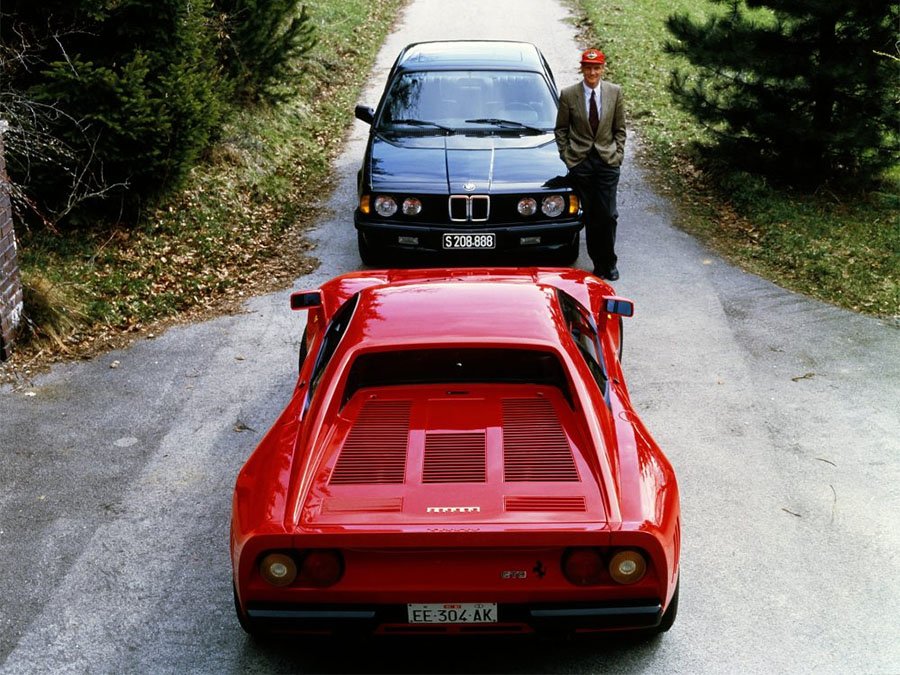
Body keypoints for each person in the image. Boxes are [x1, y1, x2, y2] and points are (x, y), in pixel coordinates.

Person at [554, 48, 626, 281]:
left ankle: (609, 261)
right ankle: (599, 264)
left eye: (596, 68)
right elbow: (561, 129)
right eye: (588, 67)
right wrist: (568, 157)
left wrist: (618, 155)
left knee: (607, 214)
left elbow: (620, 129)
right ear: (582, 68)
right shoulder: (569, 94)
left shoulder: (614, 93)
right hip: (581, 161)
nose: (592, 72)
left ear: (602, 69)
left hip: (607, 160)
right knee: (592, 215)